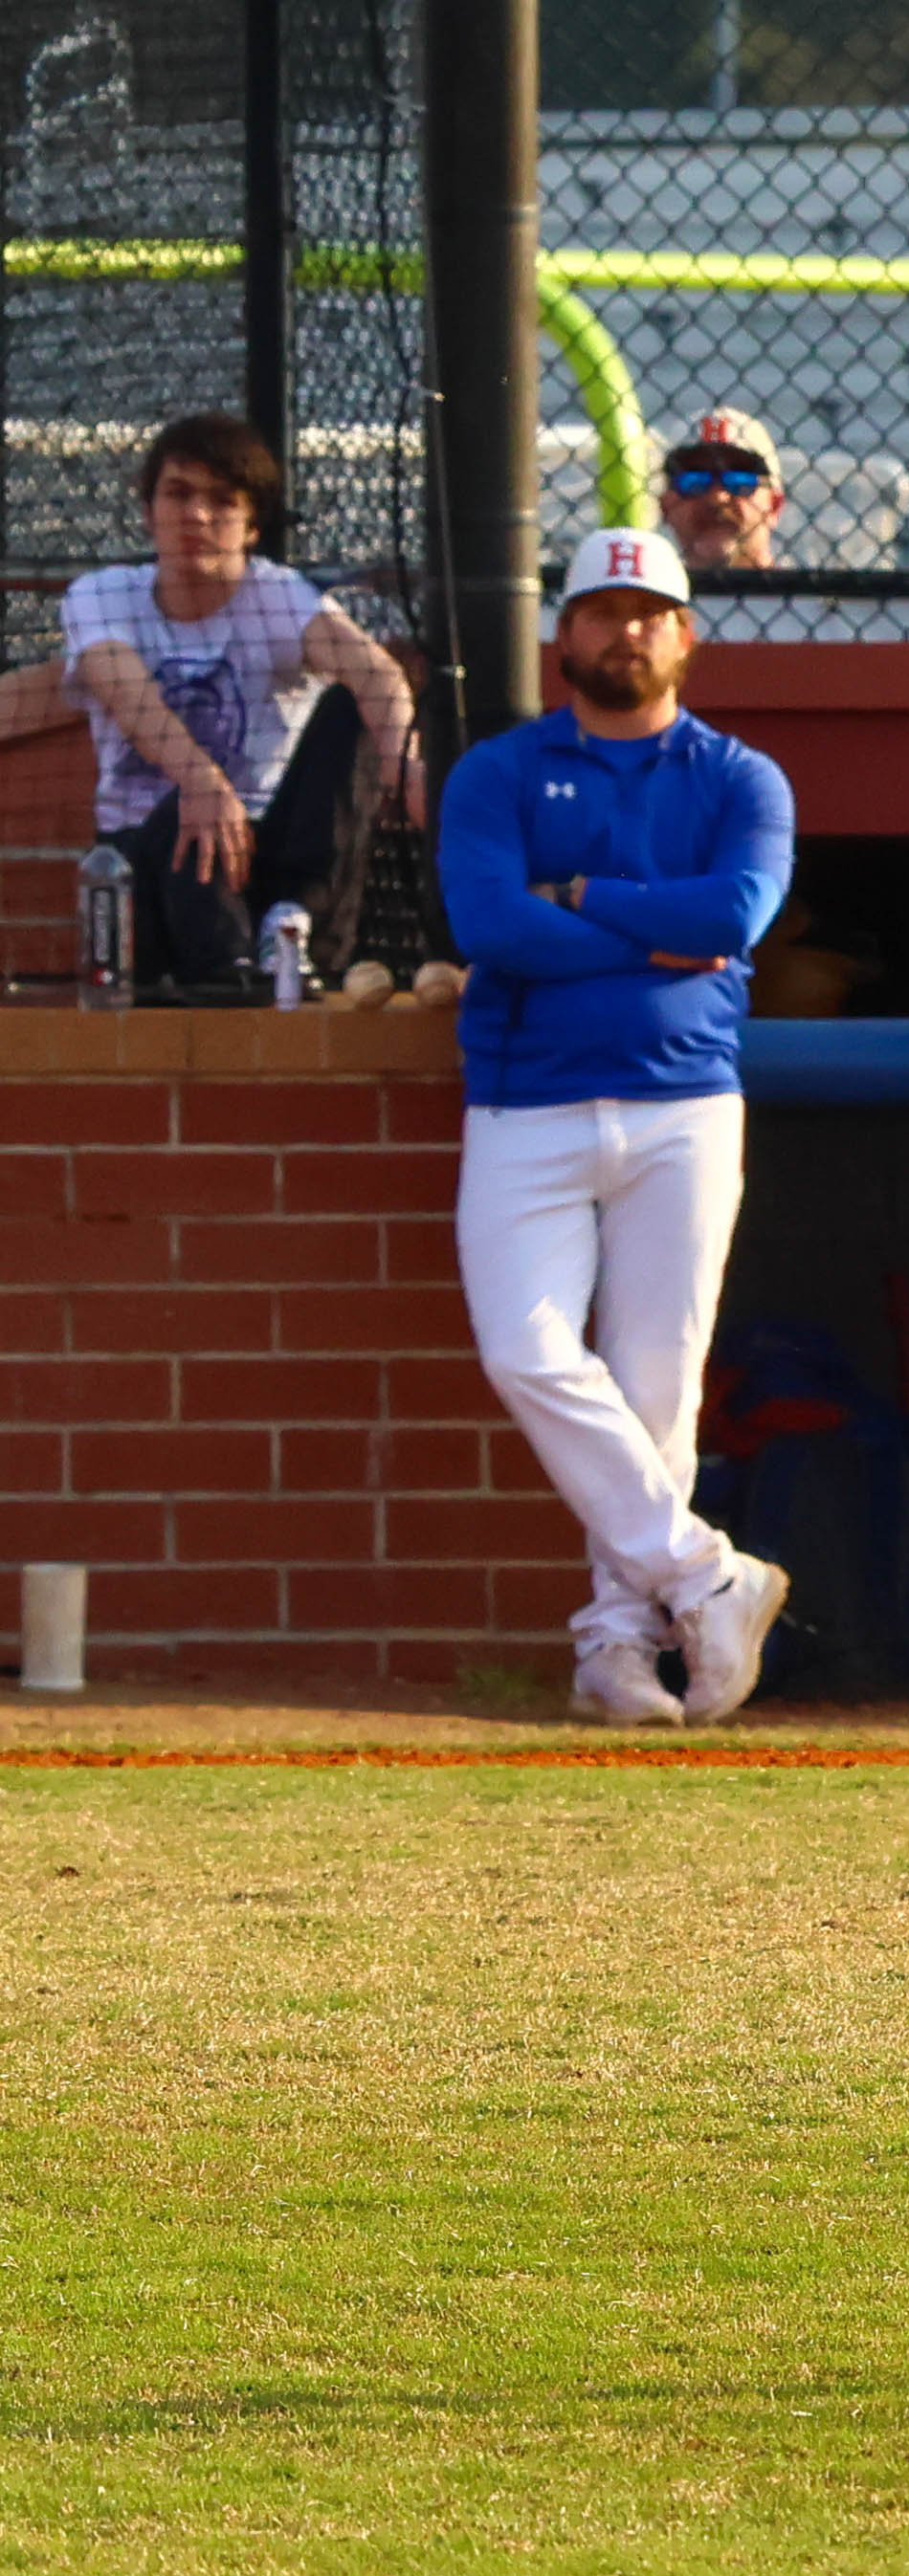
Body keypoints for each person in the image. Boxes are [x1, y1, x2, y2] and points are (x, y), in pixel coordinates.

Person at [431, 527, 797, 1730]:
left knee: (656, 1384)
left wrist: (583, 894)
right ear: (564, 636)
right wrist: (658, 931)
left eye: (649, 610)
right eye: (602, 609)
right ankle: (707, 1576)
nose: (625, 629)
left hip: (684, 1098)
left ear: (686, 635)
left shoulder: (741, 777)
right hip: (523, 1097)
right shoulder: (498, 771)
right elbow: (494, 927)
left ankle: (616, 1646)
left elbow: (738, 910)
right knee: (528, 1350)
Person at [61, 409, 422, 987]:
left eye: (223, 501)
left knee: (352, 707)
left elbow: (376, 675)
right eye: (178, 494)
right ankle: (231, 972)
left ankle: (294, 927)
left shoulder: (277, 595)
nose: (197, 515)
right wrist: (201, 780)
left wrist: (408, 769)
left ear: (253, 526)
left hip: (266, 849)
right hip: (147, 864)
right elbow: (124, 694)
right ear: (149, 513)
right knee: (187, 802)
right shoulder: (101, 596)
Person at [655, 409, 788, 580]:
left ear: (774, 506)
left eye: (739, 482)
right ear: (665, 507)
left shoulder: (815, 604)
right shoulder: (648, 605)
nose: (717, 498)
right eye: (694, 482)